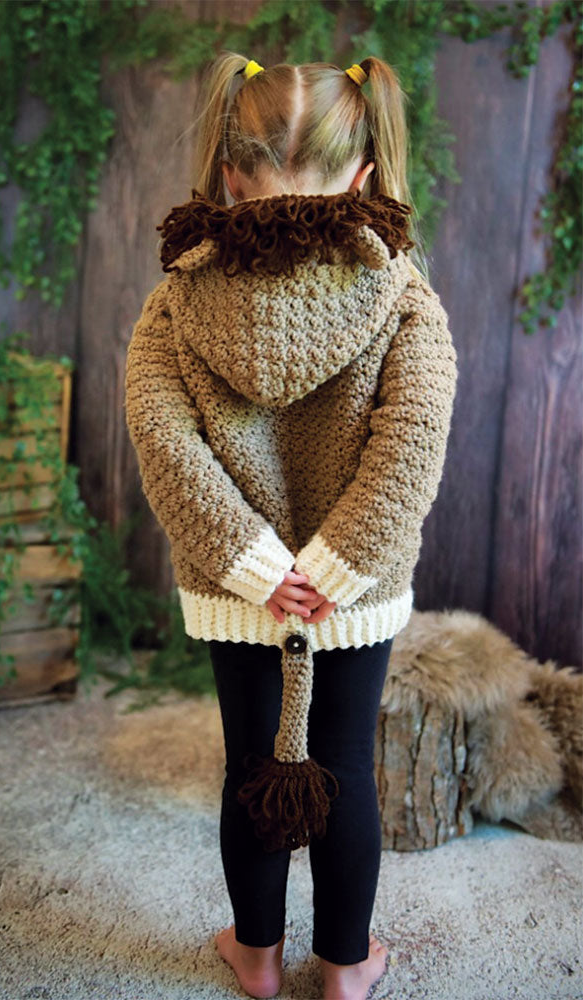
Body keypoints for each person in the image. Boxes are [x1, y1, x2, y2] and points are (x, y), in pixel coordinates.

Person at [124, 51, 458, 1000]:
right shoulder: (401, 294)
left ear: (231, 172)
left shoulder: (176, 297)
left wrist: (257, 567)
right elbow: (412, 442)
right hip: (353, 591)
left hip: (238, 589)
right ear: (363, 175)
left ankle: (258, 956)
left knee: (250, 762)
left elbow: (162, 439)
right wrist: (335, 569)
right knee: (344, 763)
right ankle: (345, 970)